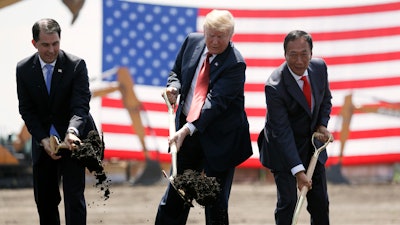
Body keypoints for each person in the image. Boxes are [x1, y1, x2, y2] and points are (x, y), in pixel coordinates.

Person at [156, 9, 253, 225]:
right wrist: (173, 88)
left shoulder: (235, 63)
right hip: (187, 138)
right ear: (204, 31)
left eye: (221, 36)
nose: (215, 41)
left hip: (220, 140)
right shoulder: (192, 42)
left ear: (231, 35)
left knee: (215, 204)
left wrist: (186, 129)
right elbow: (176, 73)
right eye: (211, 35)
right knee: (175, 197)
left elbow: (214, 104)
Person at [16, 18, 96, 225]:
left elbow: (80, 106)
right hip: (43, 143)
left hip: (72, 142)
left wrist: (72, 132)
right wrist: (43, 139)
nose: (51, 50)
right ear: (34, 43)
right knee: (45, 201)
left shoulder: (76, 66)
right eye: (45, 45)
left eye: (55, 43)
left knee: (74, 198)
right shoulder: (23, 69)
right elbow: (26, 110)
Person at [257, 30, 333, 225]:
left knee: (320, 203)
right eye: (293, 55)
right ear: (285, 55)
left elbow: (325, 99)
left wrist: (322, 125)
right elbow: (281, 131)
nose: (299, 61)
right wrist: (298, 172)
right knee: (289, 203)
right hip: (282, 150)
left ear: (311, 53)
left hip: (312, 148)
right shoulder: (275, 86)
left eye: (304, 54)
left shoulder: (319, 68)